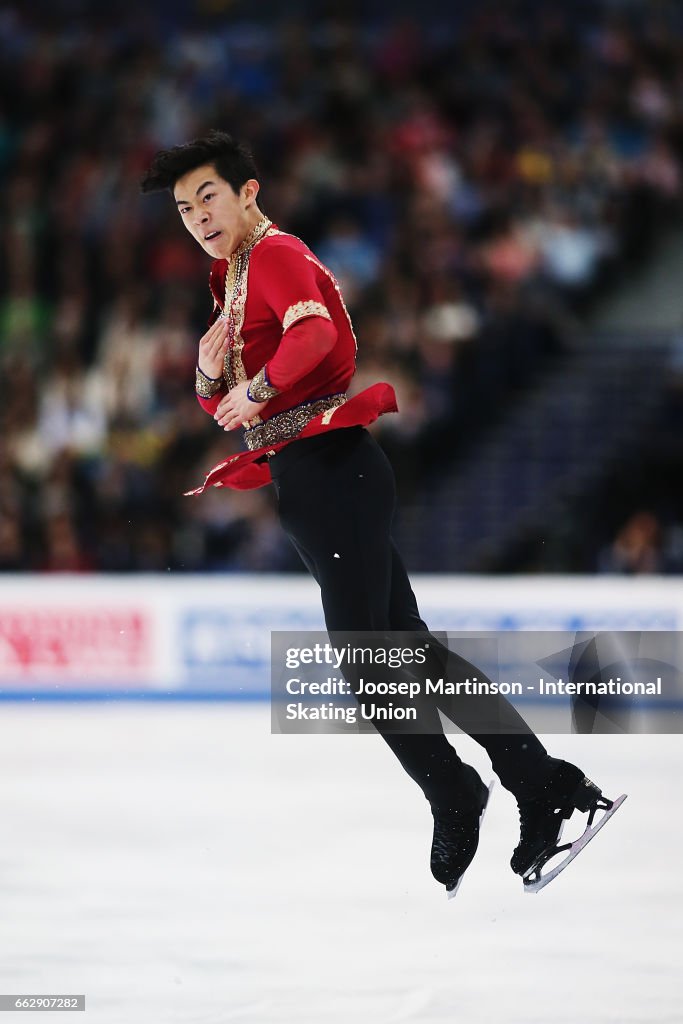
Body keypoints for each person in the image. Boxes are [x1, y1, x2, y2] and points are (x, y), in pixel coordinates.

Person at [140, 131, 619, 895]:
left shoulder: (272, 255)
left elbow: (317, 335)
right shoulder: (232, 278)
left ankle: (462, 791)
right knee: (408, 652)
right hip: (314, 478)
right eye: (182, 207)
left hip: (333, 472)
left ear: (248, 192)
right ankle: (538, 783)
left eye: (208, 196)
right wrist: (209, 368)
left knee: (370, 666)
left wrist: (256, 389)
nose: (197, 215)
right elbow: (220, 404)